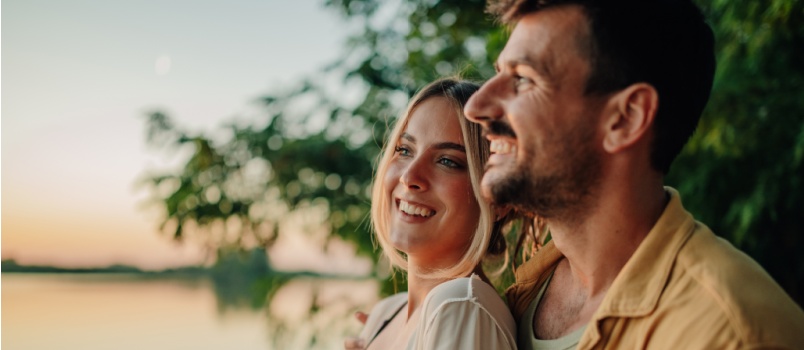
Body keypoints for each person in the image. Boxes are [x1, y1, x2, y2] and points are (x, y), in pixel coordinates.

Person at [463, 0, 804, 349]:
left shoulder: (730, 335)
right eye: (499, 73)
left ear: (626, 118)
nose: (475, 107)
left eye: (522, 79)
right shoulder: (515, 301)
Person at [345, 78, 517, 350]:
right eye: (404, 150)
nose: (410, 176)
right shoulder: (386, 313)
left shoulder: (461, 306)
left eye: (448, 161)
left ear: (497, 199)